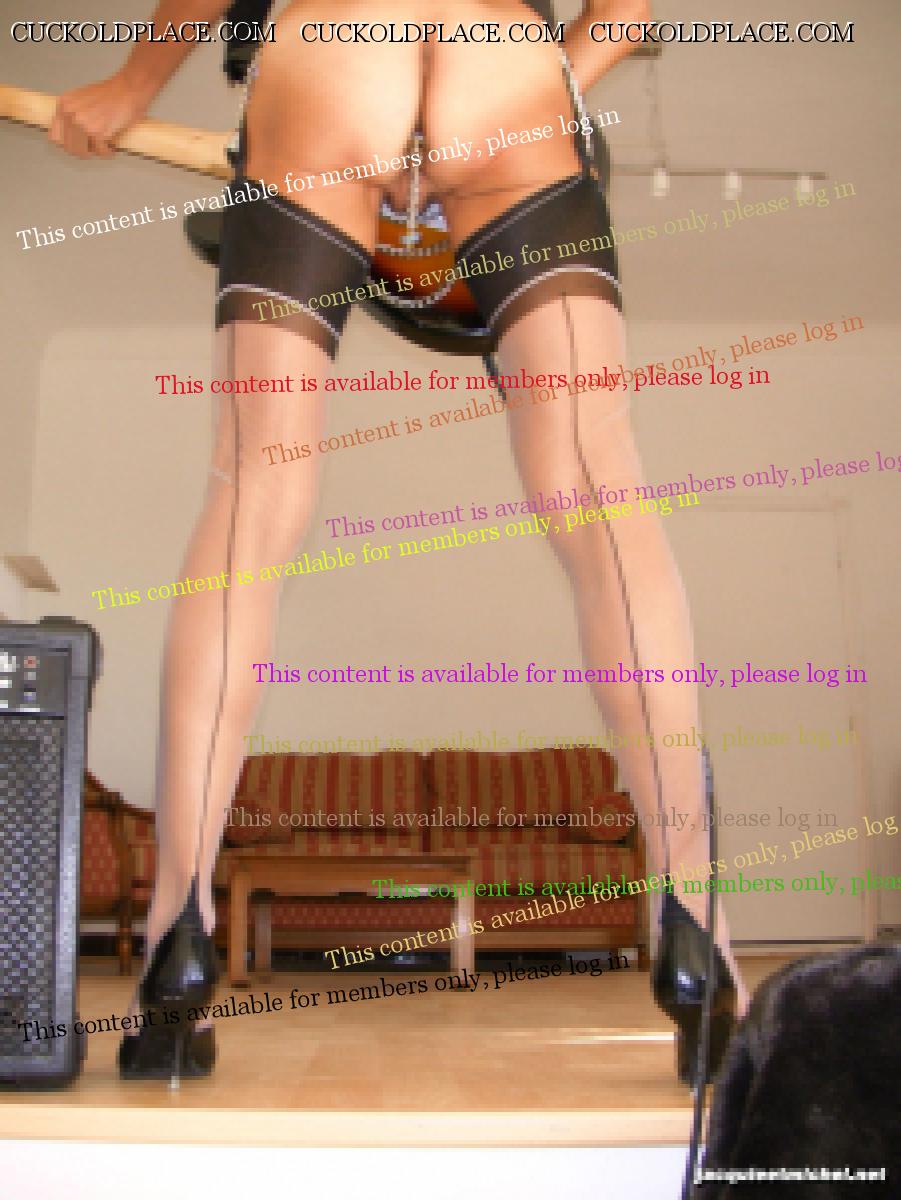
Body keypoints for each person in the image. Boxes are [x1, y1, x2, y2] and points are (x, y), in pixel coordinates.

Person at [50, 0, 747, 1083]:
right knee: (598, 489)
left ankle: (176, 943)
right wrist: (528, 106)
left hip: (332, 54)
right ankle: (695, 931)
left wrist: (128, 87)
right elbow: (625, 12)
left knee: (252, 496)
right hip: (503, 63)